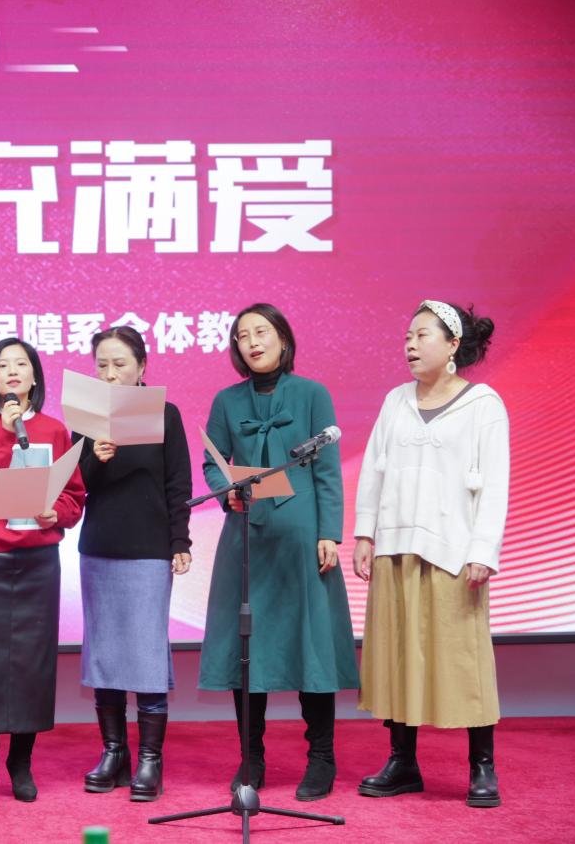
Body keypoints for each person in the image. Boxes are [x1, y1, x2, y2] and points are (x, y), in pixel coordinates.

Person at [198, 303, 358, 801]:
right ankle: (252, 757)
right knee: (246, 651)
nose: (253, 342)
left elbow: (327, 468)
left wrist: (329, 532)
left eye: (261, 332)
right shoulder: (226, 401)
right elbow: (212, 461)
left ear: (283, 339)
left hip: (303, 539)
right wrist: (225, 490)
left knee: (312, 646)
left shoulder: (312, 394)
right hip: (247, 538)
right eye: (243, 335)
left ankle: (322, 757)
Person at [353, 300, 505, 808]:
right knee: (397, 656)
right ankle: (403, 761)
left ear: (453, 344)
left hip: (452, 551)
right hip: (395, 547)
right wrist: (365, 534)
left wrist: (483, 549)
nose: (411, 345)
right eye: (407, 337)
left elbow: (495, 485)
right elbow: (373, 469)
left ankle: (482, 764)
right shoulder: (395, 400)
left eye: (422, 336)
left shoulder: (483, 404)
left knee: (464, 658)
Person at [0, 337, 86, 808]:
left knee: (33, 662)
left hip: (38, 561)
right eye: (2, 365)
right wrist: (8, 437)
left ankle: (21, 761)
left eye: (21, 364)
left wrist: (57, 514)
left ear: (34, 376)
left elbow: (74, 495)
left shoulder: (55, 429)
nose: (12, 371)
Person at [75, 326, 192, 802]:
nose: (110, 373)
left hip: (148, 548)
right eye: (102, 364)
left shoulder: (165, 413)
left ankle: (149, 759)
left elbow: (178, 482)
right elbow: (75, 485)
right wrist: (95, 458)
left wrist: (180, 540)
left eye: (119, 363)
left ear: (142, 366)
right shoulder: (87, 417)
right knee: (103, 654)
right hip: (100, 545)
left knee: (145, 652)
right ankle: (113, 751)